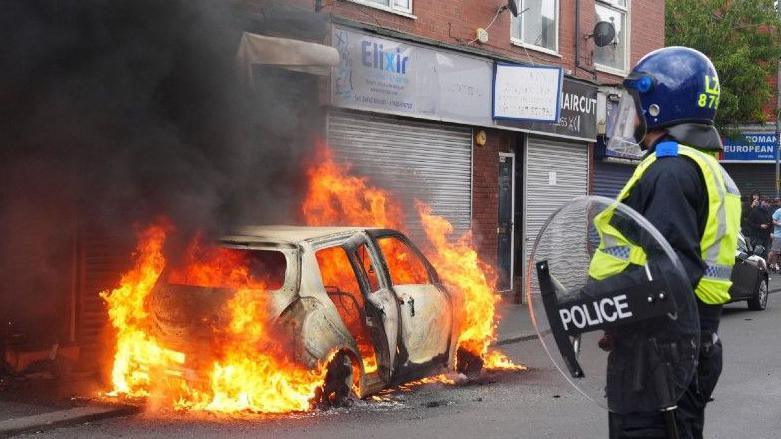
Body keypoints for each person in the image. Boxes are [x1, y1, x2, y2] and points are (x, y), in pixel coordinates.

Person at [591, 46, 741, 438]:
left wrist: (592, 303)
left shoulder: (670, 170)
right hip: (683, 342)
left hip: (655, 355)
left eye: (638, 104)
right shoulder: (704, 165)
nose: (634, 115)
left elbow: (669, 275)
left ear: (659, 106)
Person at [769, 199, 781, 272]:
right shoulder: (779, 211)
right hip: (778, 235)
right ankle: (773, 266)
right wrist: (779, 224)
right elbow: (772, 220)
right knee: (775, 252)